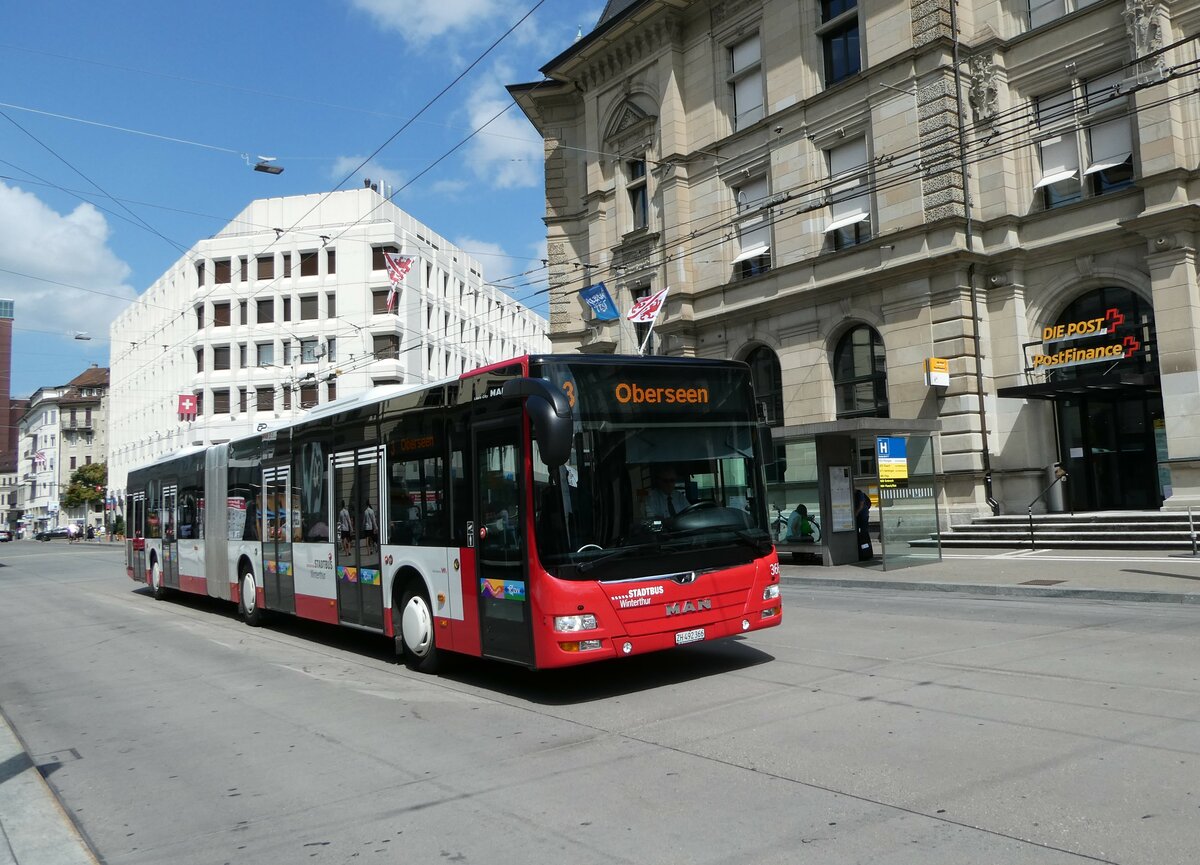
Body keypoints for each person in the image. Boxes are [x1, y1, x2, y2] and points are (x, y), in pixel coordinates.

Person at [854, 488, 873, 560]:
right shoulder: (856, 494)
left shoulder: (859, 493)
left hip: (862, 516)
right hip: (861, 516)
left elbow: (861, 505)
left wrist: (856, 513)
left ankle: (865, 552)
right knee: (862, 534)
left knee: (863, 534)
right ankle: (864, 551)